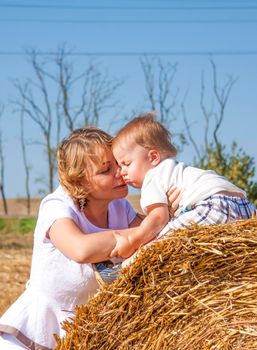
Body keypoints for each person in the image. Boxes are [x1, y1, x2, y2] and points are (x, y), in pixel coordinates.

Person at [0, 126, 180, 350]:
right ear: (79, 183)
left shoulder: (120, 206)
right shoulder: (57, 206)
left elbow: (159, 235)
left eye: (118, 163)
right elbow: (81, 249)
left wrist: (169, 210)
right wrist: (133, 236)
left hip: (83, 333)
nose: (119, 172)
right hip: (36, 333)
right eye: (106, 170)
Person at [111, 112, 256, 257]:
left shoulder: (152, 177)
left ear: (153, 157)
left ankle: (124, 268)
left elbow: (158, 219)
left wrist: (132, 242)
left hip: (214, 206)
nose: (121, 172)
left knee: (158, 244)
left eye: (126, 164)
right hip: (246, 208)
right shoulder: (174, 169)